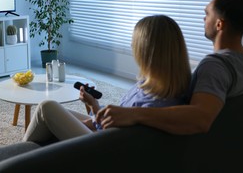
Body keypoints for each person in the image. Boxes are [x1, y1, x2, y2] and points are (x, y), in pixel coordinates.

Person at [95, 0, 243, 135]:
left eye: (207, 14)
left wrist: (135, 113)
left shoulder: (214, 67)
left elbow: (201, 119)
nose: (203, 18)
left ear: (219, 24)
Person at [23, 15, 191, 142]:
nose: (132, 46)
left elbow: (111, 131)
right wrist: (93, 106)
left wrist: (95, 110)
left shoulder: (152, 106)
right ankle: (29, 153)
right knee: (55, 115)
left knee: (47, 108)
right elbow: (112, 121)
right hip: (103, 131)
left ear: (148, 52)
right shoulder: (157, 87)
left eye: (135, 42)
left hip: (103, 146)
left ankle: (22, 155)